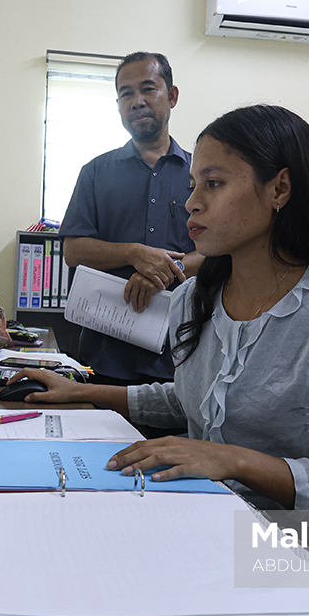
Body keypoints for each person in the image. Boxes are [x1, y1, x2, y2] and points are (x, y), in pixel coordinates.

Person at [13, 104, 309, 521]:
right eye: (193, 184)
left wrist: (232, 461)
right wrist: (80, 390)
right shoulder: (194, 299)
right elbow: (192, 398)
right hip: (203, 521)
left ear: (279, 189)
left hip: (292, 552)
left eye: (213, 183)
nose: (191, 203)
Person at [59, 51, 203, 385]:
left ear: (172, 95)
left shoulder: (202, 175)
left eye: (148, 89)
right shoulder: (95, 172)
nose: (136, 101)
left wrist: (167, 272)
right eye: (126, 93)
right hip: (107, 355)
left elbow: (223, 251)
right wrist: (132, 253)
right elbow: (73, 251)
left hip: (182, 354)